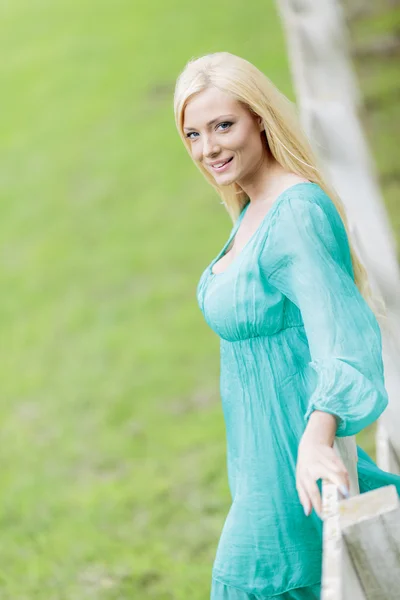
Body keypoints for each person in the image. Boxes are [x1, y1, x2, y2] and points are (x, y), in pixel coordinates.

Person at [173, 51, 400, 600]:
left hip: (288, 466)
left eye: (223, 125)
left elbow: (342, 339)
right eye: (194, 134)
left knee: (246, 584)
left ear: (259, 118)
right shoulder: (254, 209)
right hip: (257, 469)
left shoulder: (294, 210)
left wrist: (317, 435)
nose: (209, 149)